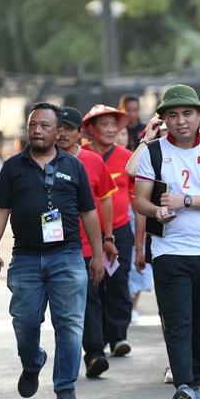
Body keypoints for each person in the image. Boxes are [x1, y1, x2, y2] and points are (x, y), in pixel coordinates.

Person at [0, 102, 104, 399]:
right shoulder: (12, 167)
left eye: (44, 126)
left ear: (58, 132)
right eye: (33, 125)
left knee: (70, 324)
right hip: (25, 258)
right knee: (24, 322)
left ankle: (65, 385)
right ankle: (33, 360)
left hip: (67, 255)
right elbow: (0, 209)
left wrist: (98, 255)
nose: (37, 130)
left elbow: (89, 213)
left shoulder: (73, 166)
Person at [133, 84, 200, 399]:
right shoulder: (153, 152)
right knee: (177, 321)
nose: (181, 121)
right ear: (163, 120)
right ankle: (184, 387)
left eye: (187, 114)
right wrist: (156, 211)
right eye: (172, 115)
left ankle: (196, 381)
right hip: (169, 251)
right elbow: (140, 200)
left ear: (199, 116)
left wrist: (184, 200)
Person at [56, 106, 118, 378]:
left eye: (69, 128)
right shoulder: (42, 160)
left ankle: (94, 354)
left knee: (91, 297)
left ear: (80, 133)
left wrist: (107, 238)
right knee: (64, 306)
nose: (63, 134)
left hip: (86, 245)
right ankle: (67, 357)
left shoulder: (92, 161)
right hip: (54, 247)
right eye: (58, 128)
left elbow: (104, 198)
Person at [82, 104, 137, 357]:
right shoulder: (77, 157)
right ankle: (97, 339)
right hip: (87, 235)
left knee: (118, 283)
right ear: (91, 129)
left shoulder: (127, 157)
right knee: (93, 288)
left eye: (115, 124)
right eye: (105, 125)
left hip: (120, 231)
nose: (112, 129)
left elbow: (137, 195)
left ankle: (118, 337)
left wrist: (143, 236)